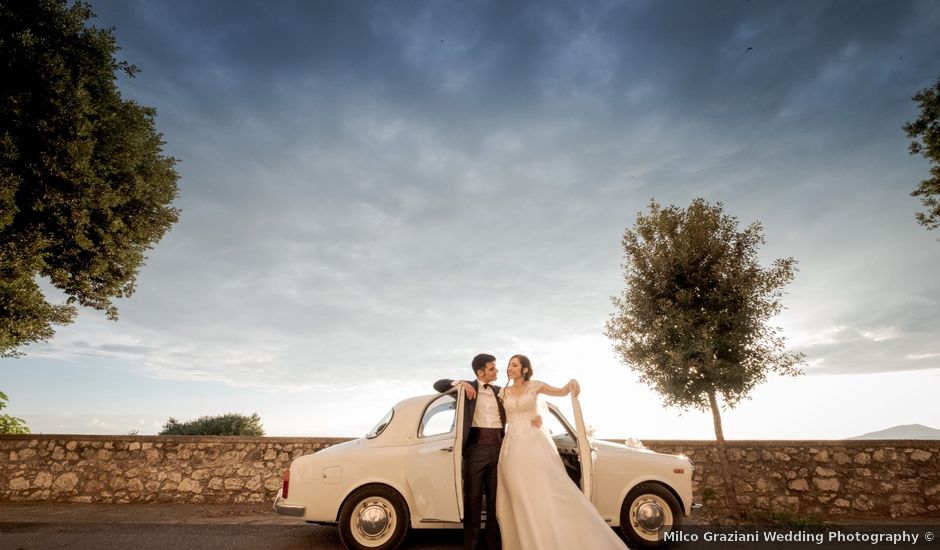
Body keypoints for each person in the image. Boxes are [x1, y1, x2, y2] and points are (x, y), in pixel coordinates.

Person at [496, 354, 627, 550]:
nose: (510, 368)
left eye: (514, 365)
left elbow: (561, 391)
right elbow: (501, 419)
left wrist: (570, 383)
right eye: (509, 365)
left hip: (533, 444)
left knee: (541, 490)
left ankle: (549, 532)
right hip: (512, 447)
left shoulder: (535, 386)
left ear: (524, 369)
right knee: (518, 493)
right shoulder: (503, 393)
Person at [434, 353, 506, 550]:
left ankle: (493, 544)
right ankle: (471, 545)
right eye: (492, 368)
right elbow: (437, 385)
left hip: (499, 449)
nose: (497, 371)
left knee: (495, 500)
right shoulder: (467, 387)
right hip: (475, 450)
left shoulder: (501, 391)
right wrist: (460, 383)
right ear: (480, 372)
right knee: (473, 499)